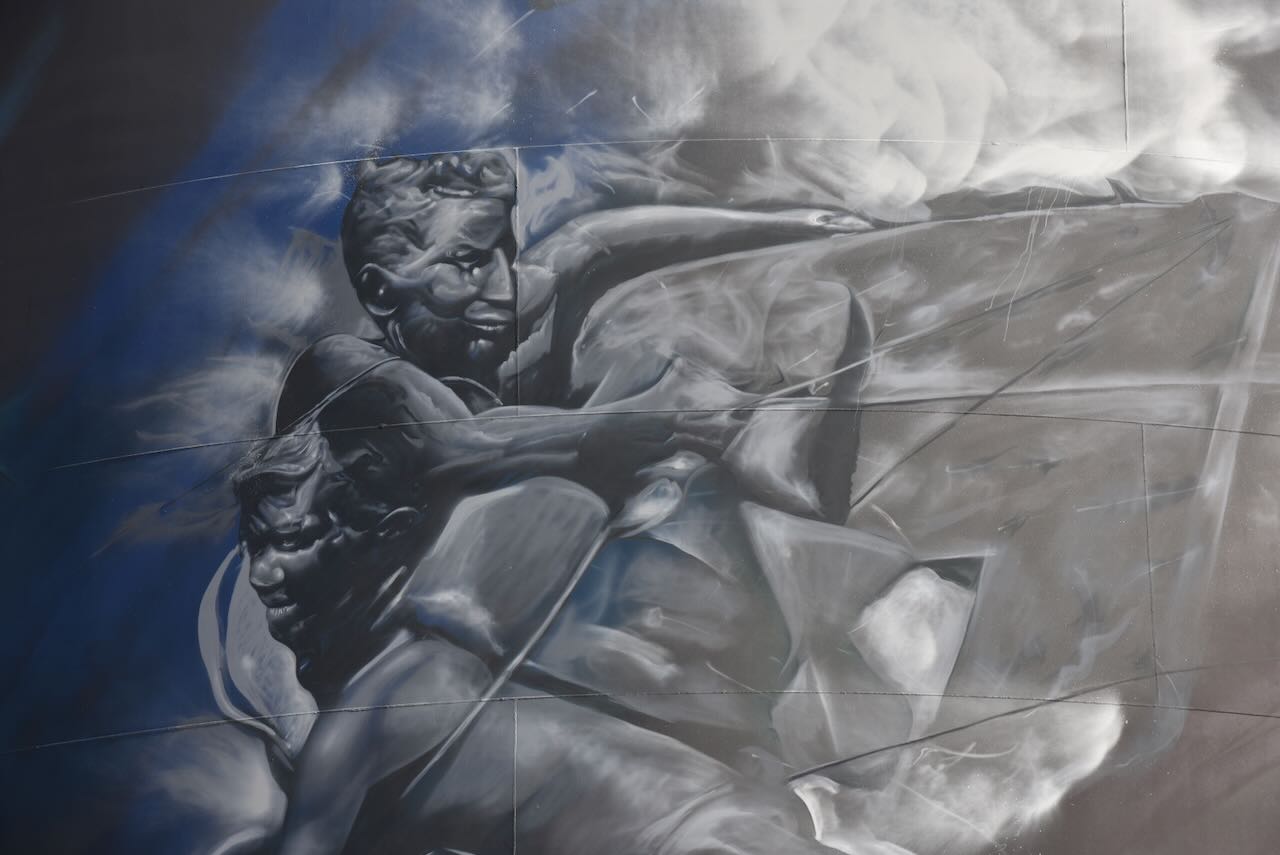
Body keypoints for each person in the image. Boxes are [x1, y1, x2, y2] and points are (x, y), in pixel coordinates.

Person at [222, 368, 840, 855]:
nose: (261, 573)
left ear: (386, 534)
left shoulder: (367, 716)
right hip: (723, 819)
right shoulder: (431, 657)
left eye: (292, 541)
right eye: (256, 544)